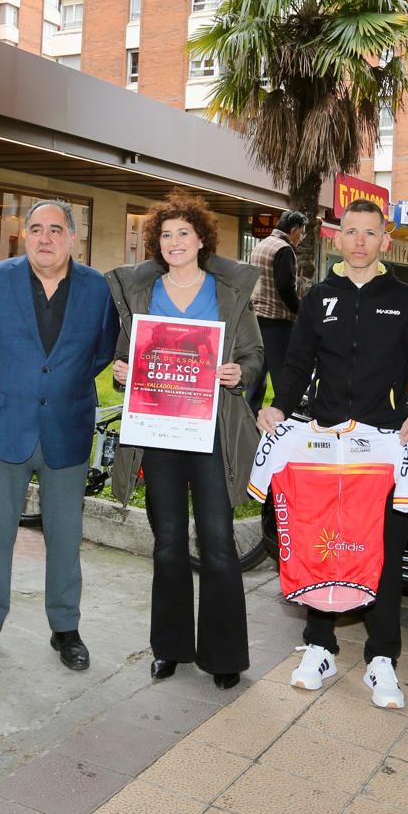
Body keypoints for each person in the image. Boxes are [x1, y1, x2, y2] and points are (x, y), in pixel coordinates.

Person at [257, 198, 408, 708]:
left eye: (370, 232)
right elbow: (297, 364)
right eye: (352, 231)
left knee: (384, 552)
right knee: (323, 545)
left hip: (383, 450)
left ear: (385, 240)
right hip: (326, 446)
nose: (360, 241)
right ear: (338, 238)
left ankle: (382, 658)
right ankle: (320, 646)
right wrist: (279, 407)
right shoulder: (319, 297)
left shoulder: (404, 299)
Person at [0, 200, 120, 670]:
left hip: (67, 427)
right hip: (3, 426)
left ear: (73, 238)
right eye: (37, 229)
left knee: (65, 537)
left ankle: (66, 629)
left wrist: (63, 384)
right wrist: (3, 382)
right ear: (24, 235)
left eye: (56, 230)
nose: (45, 238)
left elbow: (103, 349)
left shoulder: (97, 288)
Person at [106, 191, 263, 690]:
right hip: (159, 432)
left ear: (200, 240)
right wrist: (121, 371)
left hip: (210, 433)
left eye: (183, 233)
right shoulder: (141, 293)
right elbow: (124, 355)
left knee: (217, 541)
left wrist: (239, 373)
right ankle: (170, 648)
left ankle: (224, 655)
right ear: (158, 243)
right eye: (166, 235)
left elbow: (254, 354)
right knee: (168, 542)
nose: (174, 242)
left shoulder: (227, 292)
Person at [246, 211, 310, 413]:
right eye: (302, 233)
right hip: (277, 322)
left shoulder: (262, 244)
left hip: (256, 319)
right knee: (283, 376)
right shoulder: (284, 249)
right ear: (294, 230)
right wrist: (299, 310)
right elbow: (285, 286)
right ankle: (283, 417)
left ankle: (250, 417)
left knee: (257, 375)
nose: (302, 238)